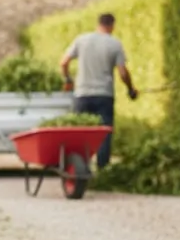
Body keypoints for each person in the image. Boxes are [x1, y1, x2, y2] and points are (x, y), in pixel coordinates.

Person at [59, 13, 137, 167]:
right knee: (104, 133)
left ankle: (80, 168)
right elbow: (122, 72)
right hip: (104, 95)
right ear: (112, 26)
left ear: (98, 24)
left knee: (80, 133)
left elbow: (63, 62)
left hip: (82, 94)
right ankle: (103, 170)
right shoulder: (115, 44)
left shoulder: (81, 40)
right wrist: (130, 89)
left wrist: (68, 79)